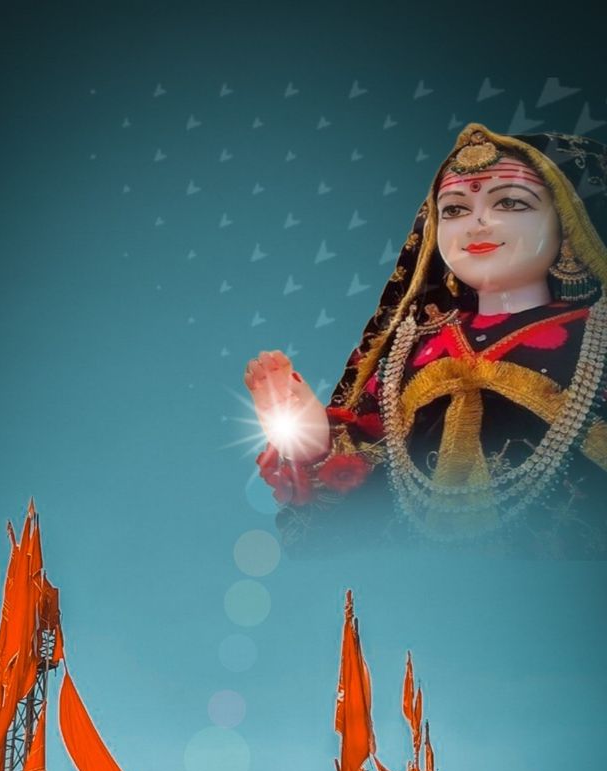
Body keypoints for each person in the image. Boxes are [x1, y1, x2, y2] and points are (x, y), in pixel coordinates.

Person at [245, 123, 607, 553]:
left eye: (510, 202)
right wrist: (310, 437)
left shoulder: (596, 335)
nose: (477, 224)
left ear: (569, 225)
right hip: (426, 583)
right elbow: (367, 491)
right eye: (454, 209)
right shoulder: (410, 346)